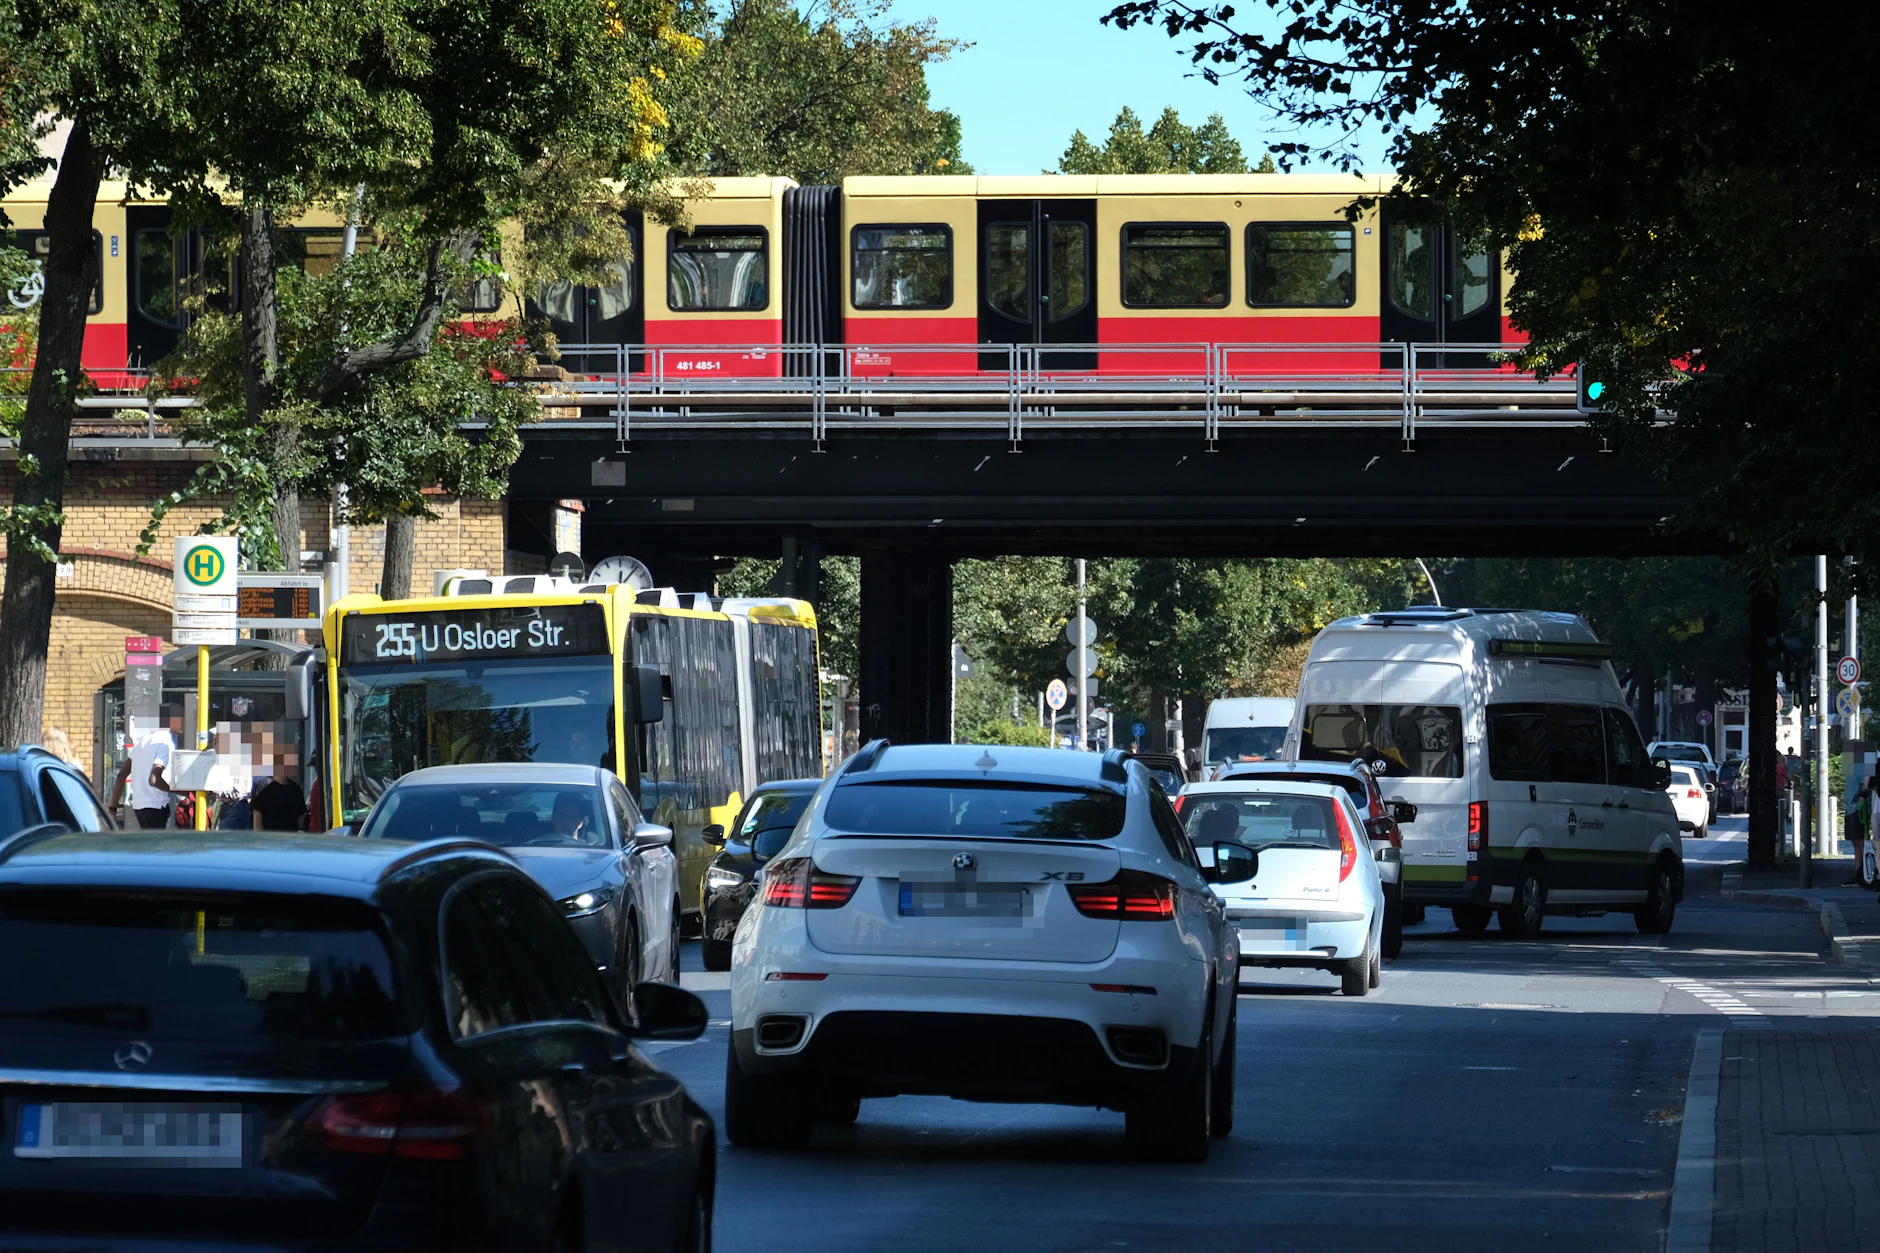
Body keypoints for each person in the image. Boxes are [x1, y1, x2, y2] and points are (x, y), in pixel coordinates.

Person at [109, 726, 177, 829]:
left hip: (139, 806)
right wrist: (182, 792)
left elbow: (121, 776)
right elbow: (154, 779)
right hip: (156, 805)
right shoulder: (165, 743)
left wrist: (113, 808)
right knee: (157, 844)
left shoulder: (142, 741)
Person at [251, 765, 307, 833]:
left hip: (291, 837)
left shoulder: (295, 789)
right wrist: (259, 836)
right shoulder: (264, 786)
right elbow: (257, 812)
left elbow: (301, 816)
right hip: (271, 837)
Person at [1849, 777, 1875, 887]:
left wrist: (1861, 803)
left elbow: (1865, 786)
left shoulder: (1860, 765)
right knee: (1856, 842)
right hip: (1851, 808)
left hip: (1857, 809)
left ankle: (1863, 872)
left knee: (1860, 842)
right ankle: (1859, 872)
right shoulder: (1851, 767)